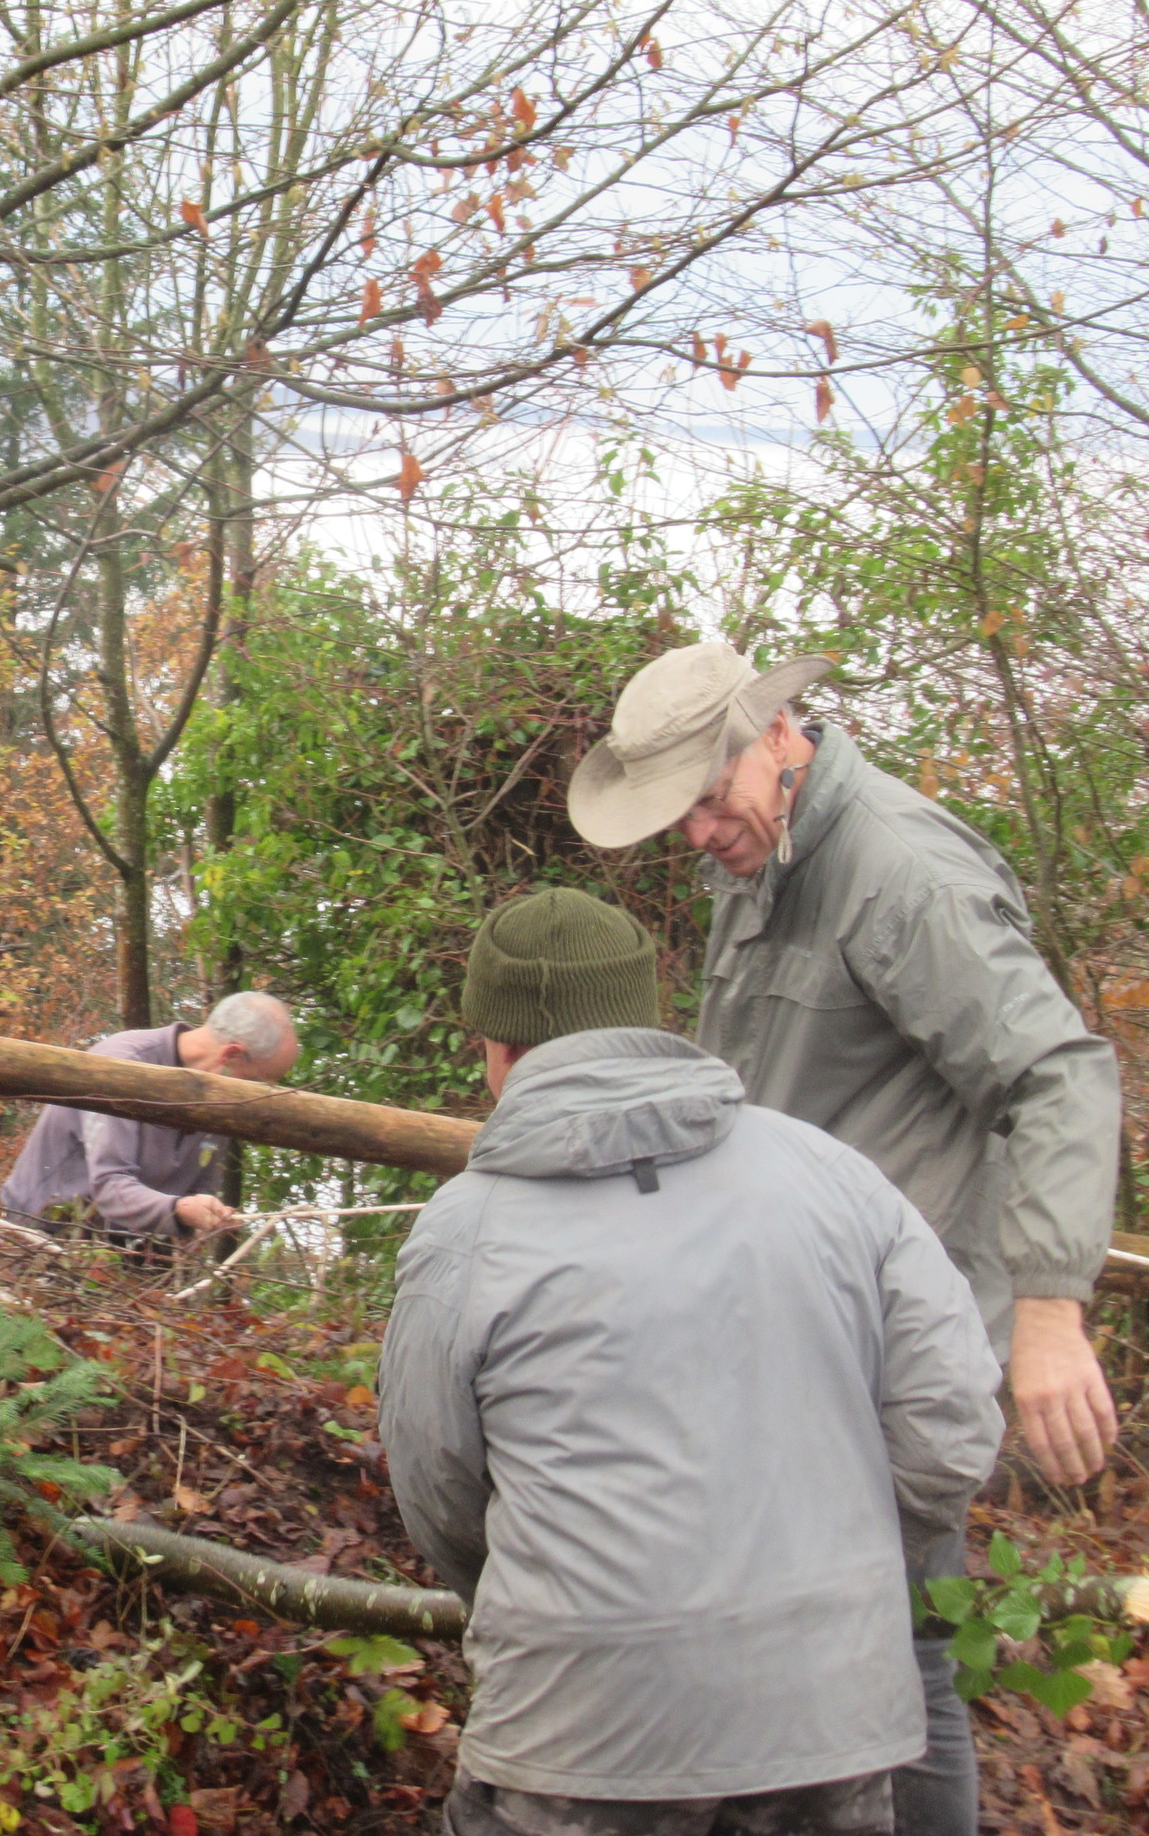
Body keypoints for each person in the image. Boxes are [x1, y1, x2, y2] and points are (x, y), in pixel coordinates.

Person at [568, 641, 1121, 1836]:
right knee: (795, 1650)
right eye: (678, 816)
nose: (698, 833)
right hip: (783, 1329)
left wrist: (1047, 1310)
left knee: (901, 1660)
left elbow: (1059, 1078)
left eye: (709, 798)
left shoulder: (900, 875)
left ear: (777, 734)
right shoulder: (761, 857)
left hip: (888, 1354)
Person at [380, 888, 1003, 1836]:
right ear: (650, 1023)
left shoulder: (463, 1231)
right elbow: (951, 1427)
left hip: (580, 1728)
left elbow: (435, 1483)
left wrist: (537, 1594)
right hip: (828, 1713)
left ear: (496, 1051)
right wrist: (855, 1566)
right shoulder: (833, 1176)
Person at [0, 992, 299, 1239]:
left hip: (125, 1253)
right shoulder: (122, 1065)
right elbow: (110, 1187)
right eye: (259, 1082)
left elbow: (200, 1187)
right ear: (231, 1055)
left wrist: (207, 1213)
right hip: (40, 1236)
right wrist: (179, 1210)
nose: (260, 1096)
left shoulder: (223, 1095)